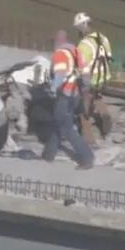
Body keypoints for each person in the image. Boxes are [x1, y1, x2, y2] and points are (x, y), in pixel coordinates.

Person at [42, 30, 94, 170]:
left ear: (58, 41)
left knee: (67, 127)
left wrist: (52, 89)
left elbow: (59, 74)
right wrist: (84, 89)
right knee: (59, 123)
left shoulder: (60, 53)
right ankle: (48, 155)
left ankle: (87, 157)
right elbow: (86, 73)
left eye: (54, 42)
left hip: (64, 95)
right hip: (74, 95)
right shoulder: (76, 53)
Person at [74, 12, 114, 142]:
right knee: (97, 97)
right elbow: (109, 57)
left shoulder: (84, 45)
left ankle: (88, 141)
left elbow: (81, 67)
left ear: (83, 27)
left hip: (90, 80)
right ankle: (106, 123)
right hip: (104, 78)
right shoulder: (104, 38)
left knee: (83, 111)